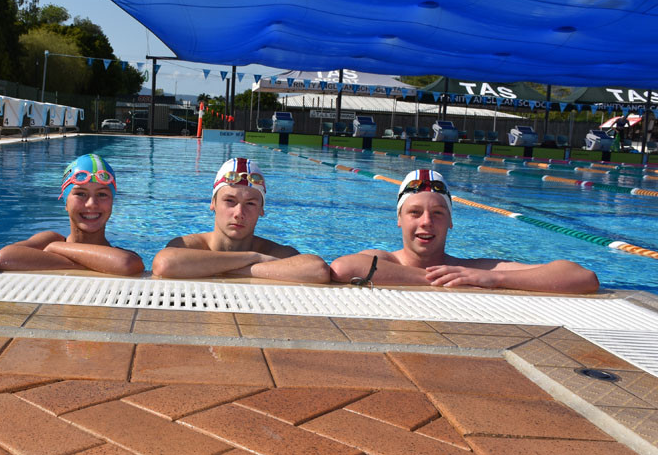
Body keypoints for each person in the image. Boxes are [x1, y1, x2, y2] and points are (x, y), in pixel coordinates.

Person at [329, 169, 599, 293]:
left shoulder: (473, 270)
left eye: (437, 213)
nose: (426, 222)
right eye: (415, 213)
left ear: (450, 222)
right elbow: (343, 267)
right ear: (399, 219)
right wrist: (436, 280)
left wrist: (495, 279)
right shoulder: (386, 260)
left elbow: (582, 277)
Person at [151, 157, 330, 282]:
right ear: (212, 203)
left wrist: (227, 267)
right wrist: (253, 258)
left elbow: (318, 270)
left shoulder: (273, 251)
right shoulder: (188, 245)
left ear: (261, 209)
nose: (239, 213)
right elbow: (164, 263)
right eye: (230, 201)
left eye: (250, 204)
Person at [0, 153, 144, 275]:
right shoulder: (50, 239)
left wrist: (56, 248)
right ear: (65, 202)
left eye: (102, 194)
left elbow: (127, 264)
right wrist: (87, 264)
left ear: (112, 202)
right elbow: (3, 258)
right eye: (80, 194)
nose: (91, 203)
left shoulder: (53, 245)